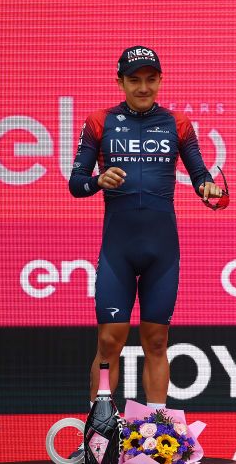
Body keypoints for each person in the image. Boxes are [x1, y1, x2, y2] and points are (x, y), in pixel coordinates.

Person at [69, 46, 224, 411]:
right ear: (120, 81)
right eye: (134, 80)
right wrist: (97, 180)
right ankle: (101, 427)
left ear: (160, 81)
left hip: (161, 249)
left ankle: (156, 433)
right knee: (109, 340)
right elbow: (76, 182)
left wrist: (210, 189)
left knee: (156, 341)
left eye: (150, 79)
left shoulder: (179, 123)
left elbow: (202, 176)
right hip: (118, 250)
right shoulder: (98, 121)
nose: (143, 87)